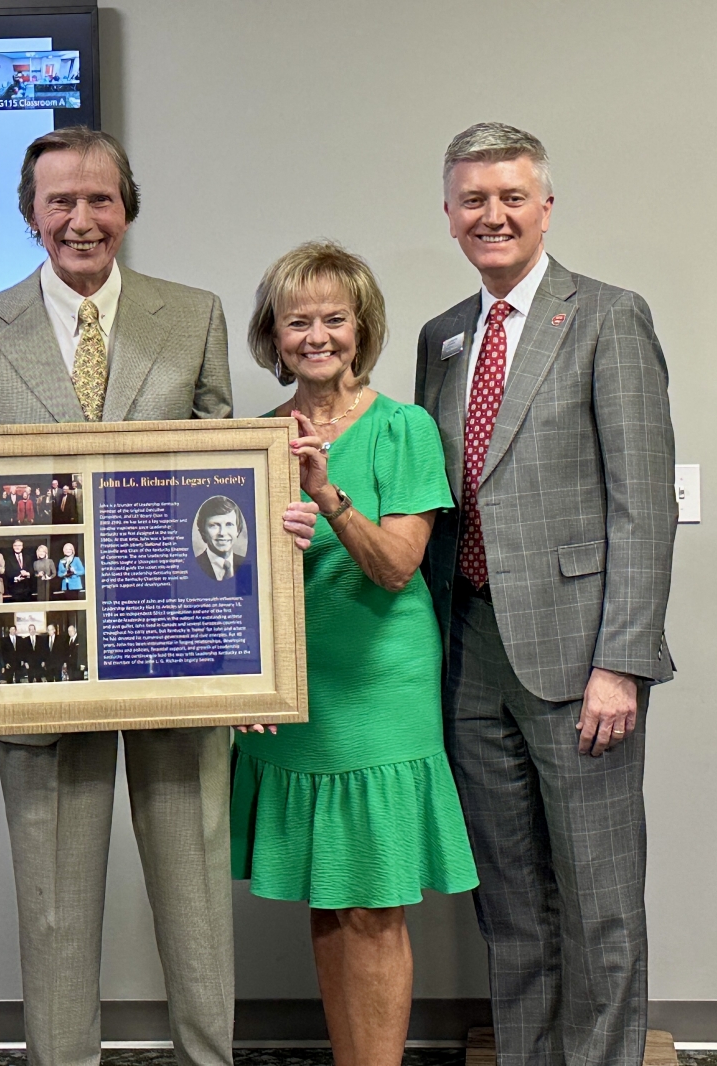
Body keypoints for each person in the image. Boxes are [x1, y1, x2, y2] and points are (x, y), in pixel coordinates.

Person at [0, 124, 242, 1066]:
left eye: (100, 199)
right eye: (61, 201)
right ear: (31, 216)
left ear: (127, 209)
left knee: (198, 902)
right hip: (38, 665)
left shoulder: (198, 316)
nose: (81, 219)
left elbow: (225, 481)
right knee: (54, 914)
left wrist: (260, 573)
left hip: (178, 655)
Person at [415, 123, 676, 1066]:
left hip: (580, 660)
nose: (494, 215)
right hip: (471, 651)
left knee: (600, 901)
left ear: (546, 207)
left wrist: (622, 662)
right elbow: (434, 499)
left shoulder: (609, 315)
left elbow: (641, 504)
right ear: (449, 216)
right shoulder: (442, 338)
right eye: (473, 199)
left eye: (511, 197)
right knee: (511, 901)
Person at [231, 240, 479, 1066]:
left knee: (374, 908)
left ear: (362, 328)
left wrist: (326, 493)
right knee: (330, 901)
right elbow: (224, 582)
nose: (317, 335)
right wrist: (244, 685)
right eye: (297, 320)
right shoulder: (250, 439)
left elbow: (395, 566)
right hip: (295, 702)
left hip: (378, 692)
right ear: (273, 334)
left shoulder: (404, 429)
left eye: (335, 318)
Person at [193, 496, 250, 590]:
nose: (222, 533)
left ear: (238, 529)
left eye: (229, 524)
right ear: (203, 531)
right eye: (214, 526)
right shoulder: (194, 567)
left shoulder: (245, 565)